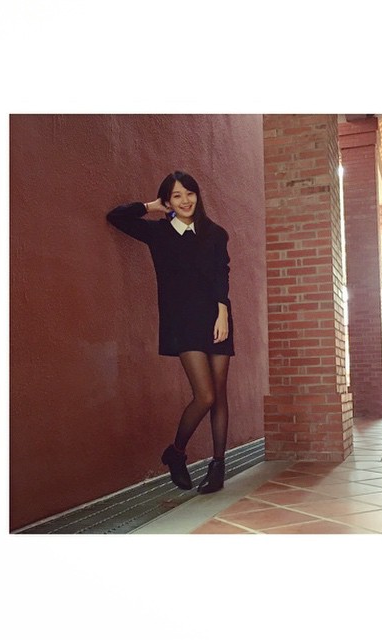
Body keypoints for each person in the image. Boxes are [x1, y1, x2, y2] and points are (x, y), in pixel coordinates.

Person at [106, 171, 234, 494]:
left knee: (219, 395)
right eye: (177, 195)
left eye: (189, 193)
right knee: (205, 395)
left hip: (216, 319)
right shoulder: (159, 233)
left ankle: (218, 467)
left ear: (197, 195)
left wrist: (223, 312)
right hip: (183, 322)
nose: (185, 200)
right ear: (168, 201)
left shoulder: (215, 233)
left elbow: (222, 274)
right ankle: (176, 452)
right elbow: (116, 217)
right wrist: (151, 206)